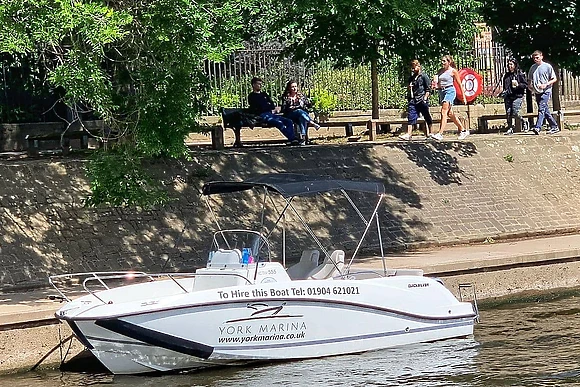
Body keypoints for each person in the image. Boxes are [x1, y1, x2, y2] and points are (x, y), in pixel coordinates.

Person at [247, 77, 298, 144]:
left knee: (289, 121)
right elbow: (256, 108)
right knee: (278, 123)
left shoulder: (264, 94)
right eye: (258, 84)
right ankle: (292, 139)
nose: (260, 85)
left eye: (261, 84)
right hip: (262, 115)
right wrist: (266, 106)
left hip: (270, 114)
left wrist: (267, 107)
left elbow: (272, 104)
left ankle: (291, 139)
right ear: (253, 85)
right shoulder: (251, 96)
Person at [430, 55, 468, 141]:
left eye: (444, 61)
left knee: (443, 111)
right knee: (450, 114)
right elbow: (436, 83)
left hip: (450, 91)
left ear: (449, 62)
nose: (442, 63)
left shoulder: (453, 71)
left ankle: (440, 133)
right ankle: (463, 130)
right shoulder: (440, 71)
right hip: (441, 92)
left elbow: (459, 84)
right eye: (441, 61)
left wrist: (464, 97)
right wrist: (434, 85)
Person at [399, 59, 433, 141]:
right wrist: (409, 87)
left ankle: (431, 133)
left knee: (426, 116)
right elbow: (409, 87)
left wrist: (425, 98)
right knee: (411, 116)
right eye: (412, 68)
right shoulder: (412, 78)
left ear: (419, 66)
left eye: (414, 68)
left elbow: (428, 88)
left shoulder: (424, 76)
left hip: (421, 99)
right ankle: (409, 134)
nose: (413, 70)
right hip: (413, 99)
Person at [527, 50, 559, 135]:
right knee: (545, 110)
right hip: (537, 91)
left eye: (537, 57)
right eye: (534, 58)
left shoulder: (547, 66)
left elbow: (554, 79)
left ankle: (538, 127)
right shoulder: (532, 68)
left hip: (546, 91)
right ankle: (554, 126)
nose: (535, 59)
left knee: (541, 108)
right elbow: (529, 80)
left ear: (541, 57)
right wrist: (530, 87)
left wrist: (546, 84)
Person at [281, 80, 320, 145]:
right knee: (299, 111)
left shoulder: (300, 95)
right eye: (292, 87)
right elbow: (284, 109)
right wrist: (290, 107)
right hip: (291, 115)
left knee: (302, 117)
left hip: (301, 115)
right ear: (289, 88)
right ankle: (312, 123)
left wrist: (308, 102)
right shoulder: (286, 97)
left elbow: (308, 104)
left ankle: (303, 139)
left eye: (295, 86)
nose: (294, 88)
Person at [501, 58, 528, 135]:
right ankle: (510, 128)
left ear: (515, 65)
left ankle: (524, 121)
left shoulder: (519, 74)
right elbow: (505, 86)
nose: (509, 66)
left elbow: (525, 85)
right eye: (508, 64)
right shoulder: (506, 75)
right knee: (508, 113)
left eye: (511, 64)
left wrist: (518, 85)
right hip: (508, 96)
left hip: (517, 95)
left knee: (516, 112)